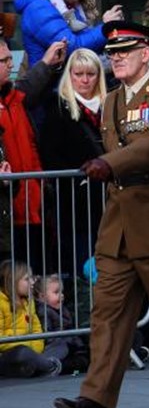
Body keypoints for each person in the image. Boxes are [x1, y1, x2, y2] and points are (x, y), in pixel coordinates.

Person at [52, 21, 149, 408]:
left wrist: (109, 163)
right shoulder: (113, 101)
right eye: (112, 53)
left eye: (124, 52)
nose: (115, 58)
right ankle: (97, 398)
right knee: (108, 314)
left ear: (146, 54)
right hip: (120, 223)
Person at [18, 42, 107, 285]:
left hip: (109, 198)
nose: (85, 80)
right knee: (83, 261)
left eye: (91, 74)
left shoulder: (111, 104)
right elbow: (50, 152)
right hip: (75, 201)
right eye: (79, 74)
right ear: (70, 76)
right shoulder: (57, 107)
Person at [0, 44, 47, 274]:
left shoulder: (16, 100)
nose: (11, 64)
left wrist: (40, 185)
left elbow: (30, 144)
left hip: (30, 204)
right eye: (3, 60)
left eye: (10, 58)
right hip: (7, 207)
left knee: (30, 276)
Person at [0, 262, 62, 378]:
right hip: (8, 354)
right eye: (27, 279)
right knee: (22, 352)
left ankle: (38, 365)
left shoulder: (29, 301)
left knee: (60, 343)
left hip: (31, 350)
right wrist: (28, 346)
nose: (33, 282)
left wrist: (34, 350)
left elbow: (37, 331)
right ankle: (49, 366)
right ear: (13, 281)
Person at [38, 274, 89, 374]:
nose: (61, 295)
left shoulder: (63, 309)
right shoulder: (44, 312)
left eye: (61, 292)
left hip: (69, 344)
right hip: (57, 347)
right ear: (42, 297)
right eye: (56, 292)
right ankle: (55, 367)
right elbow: (48, 335)